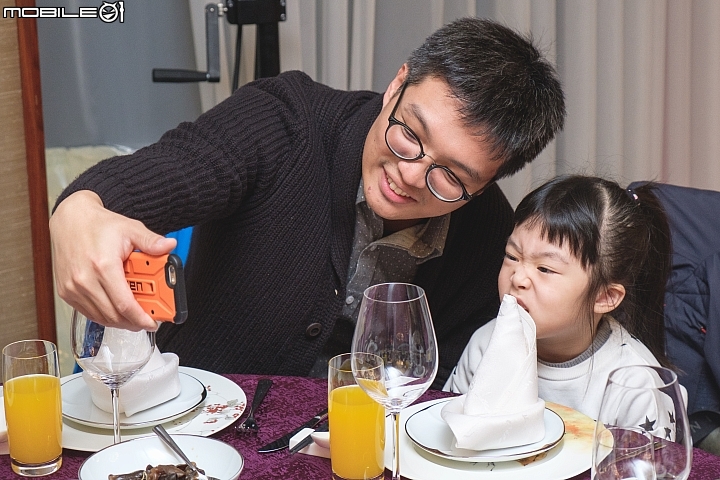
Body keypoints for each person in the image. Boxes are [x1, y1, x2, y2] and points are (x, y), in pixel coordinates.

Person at [49, 17, 565, 387]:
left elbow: (447, 386)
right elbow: (158, 174)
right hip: (203, 425)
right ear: (396, 84)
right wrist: (79, 210)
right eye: (410, 134)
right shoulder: (284, 122)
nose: (410, 175)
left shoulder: (487, 227)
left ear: (486, 182)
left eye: (450, 177)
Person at [444, 175, 680, 423]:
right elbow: (450, 424)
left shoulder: (636, 384)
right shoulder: (487, 341)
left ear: (604, 296)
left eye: (545, 269)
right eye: (512, 256)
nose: (518, 278)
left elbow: (648, 462)